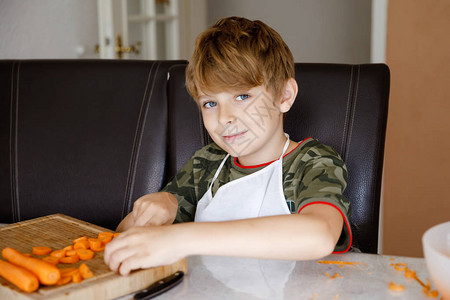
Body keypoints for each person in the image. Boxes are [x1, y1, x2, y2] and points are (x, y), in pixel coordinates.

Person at [104, 16, 352, 276]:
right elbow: (124, 237)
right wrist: (157, 206)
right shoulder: (206, 163)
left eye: (242, 96)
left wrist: (180, 238)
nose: (224, 117)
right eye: (210, 103)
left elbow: (320, 236)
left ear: (284, 96)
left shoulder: (312, 162)